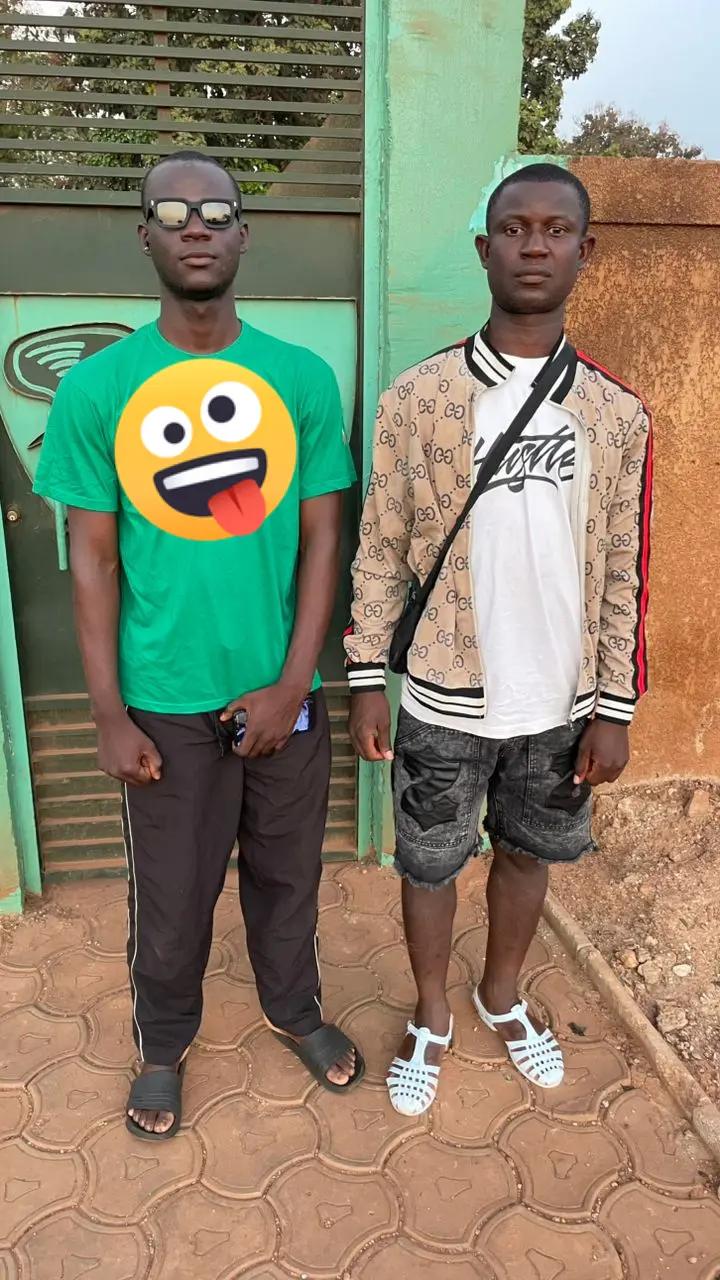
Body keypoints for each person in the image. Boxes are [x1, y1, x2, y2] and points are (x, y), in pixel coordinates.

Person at [35, 151, 363, 1140]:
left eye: (215, 210)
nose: (195, 225)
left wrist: (295, 683)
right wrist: (107, 712)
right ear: (144, 234)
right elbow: (92, 562)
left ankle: (294, 1009)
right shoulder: (98, 389)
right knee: (172, 897)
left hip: (282, 693)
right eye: (172, 210)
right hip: (164, 702)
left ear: (242, 235)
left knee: (288, 877)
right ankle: (164, 1044)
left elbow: (323, 540)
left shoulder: (300, 378)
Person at [346, 163, 652, 1115]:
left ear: (584, 251)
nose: (533, 245)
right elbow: (380, 545)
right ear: (485, 249)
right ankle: (432, 1012)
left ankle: (501, 994)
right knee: (430, 863)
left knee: (529, 854)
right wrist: (366, 675)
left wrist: (615, 706)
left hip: (562, 701)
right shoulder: (419, 398)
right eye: (514, 229)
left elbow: (624, 569)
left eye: (555, 230)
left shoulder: (616, 415)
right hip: (445, 691)